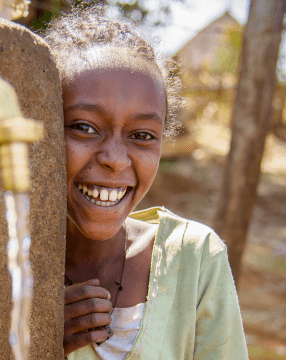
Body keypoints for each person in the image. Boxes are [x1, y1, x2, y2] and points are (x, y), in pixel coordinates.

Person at [43, 4, 249, 360]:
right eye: (84, 127)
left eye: (141, 135)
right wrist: (39, 337)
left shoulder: (194, 260)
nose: (115, 159)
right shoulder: (7, 263)